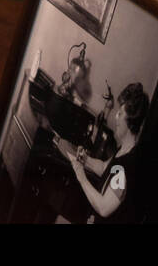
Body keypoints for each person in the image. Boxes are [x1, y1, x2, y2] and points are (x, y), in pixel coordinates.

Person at [62, 82, 149, 223]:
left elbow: (104, 208)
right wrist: (85, 159)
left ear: (130, 123)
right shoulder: (124, 150)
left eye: (120, 113)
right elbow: (105, 168)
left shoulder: (128, 166)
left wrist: (81, 176)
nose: (116, 117)